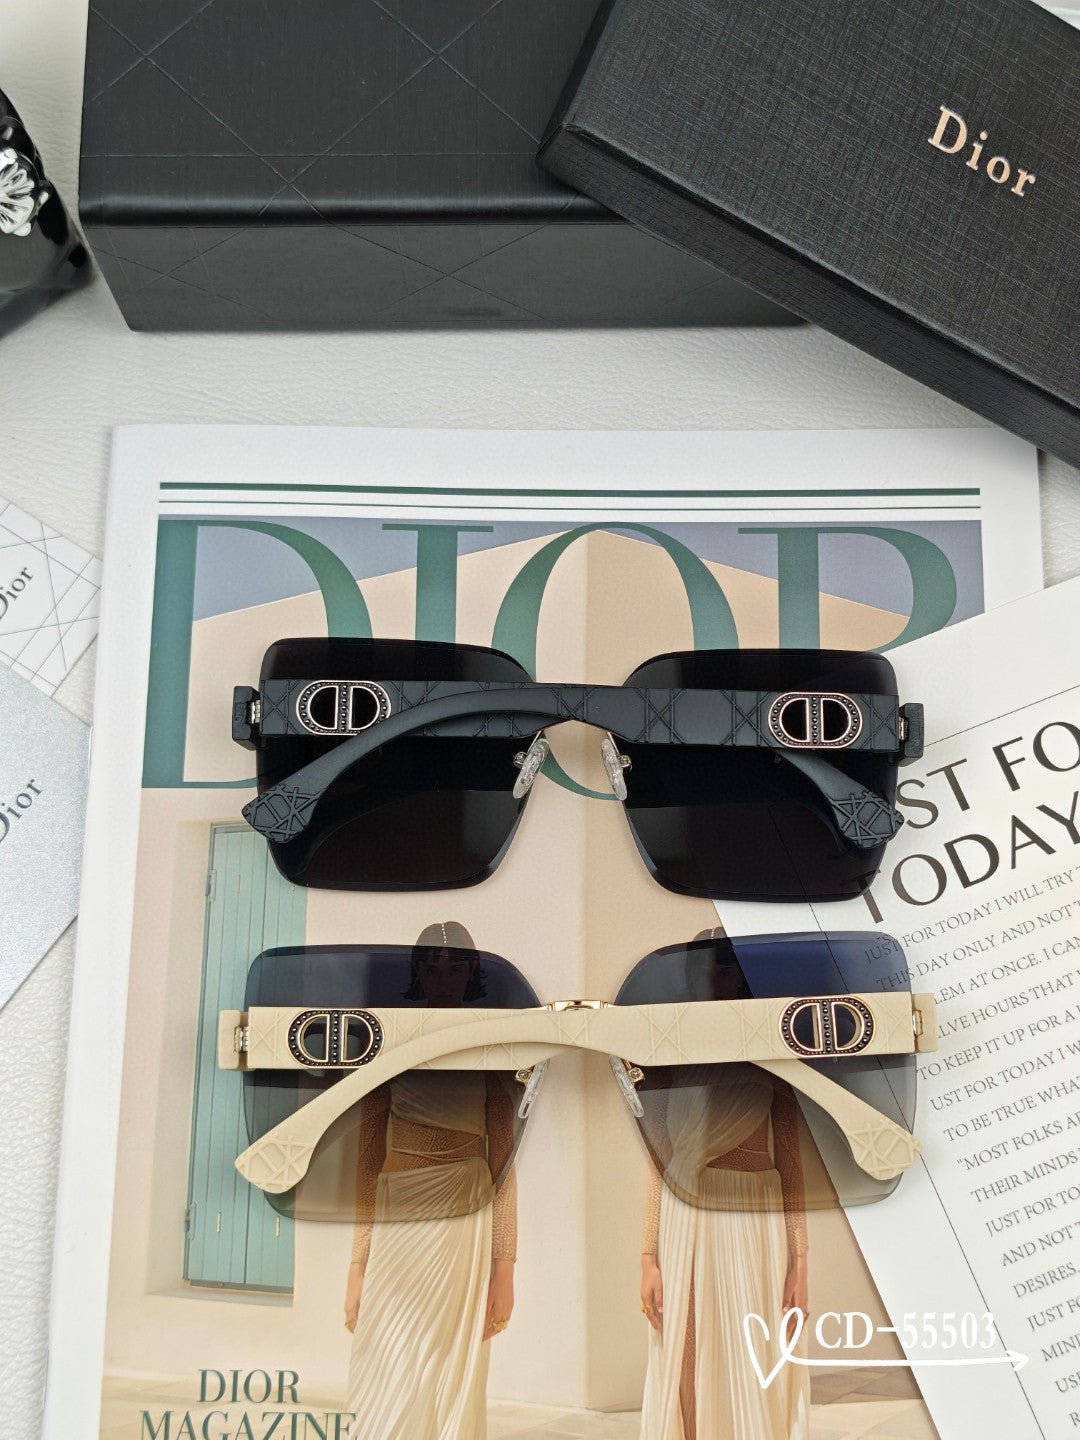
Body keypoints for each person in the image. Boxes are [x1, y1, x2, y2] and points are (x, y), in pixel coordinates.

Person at [343, 921, 517, 1439]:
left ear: (471, 971)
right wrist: (357, 1265)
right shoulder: (389, 1039)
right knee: (388, 1354)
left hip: (465, 1213)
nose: (444, 976)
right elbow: (367, 1158)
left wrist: (504, 1268)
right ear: (418, 971)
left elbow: (505, 1161)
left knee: (452, 1359)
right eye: (433, 965)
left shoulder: (490, 1043)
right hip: (398, 1214)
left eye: (456, 965)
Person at [638, 928, 809, 1440]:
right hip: (684, 1213)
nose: (715, 975)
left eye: (727, 964)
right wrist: (647, 1257)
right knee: (685, 1348)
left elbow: (792, 1161)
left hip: (752, 1215)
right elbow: (656, 1158)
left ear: (744, 973)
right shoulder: (667, 1049)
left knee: (753, 1351)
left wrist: (800, 1262)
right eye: (706, 965)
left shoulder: (774, 1049)